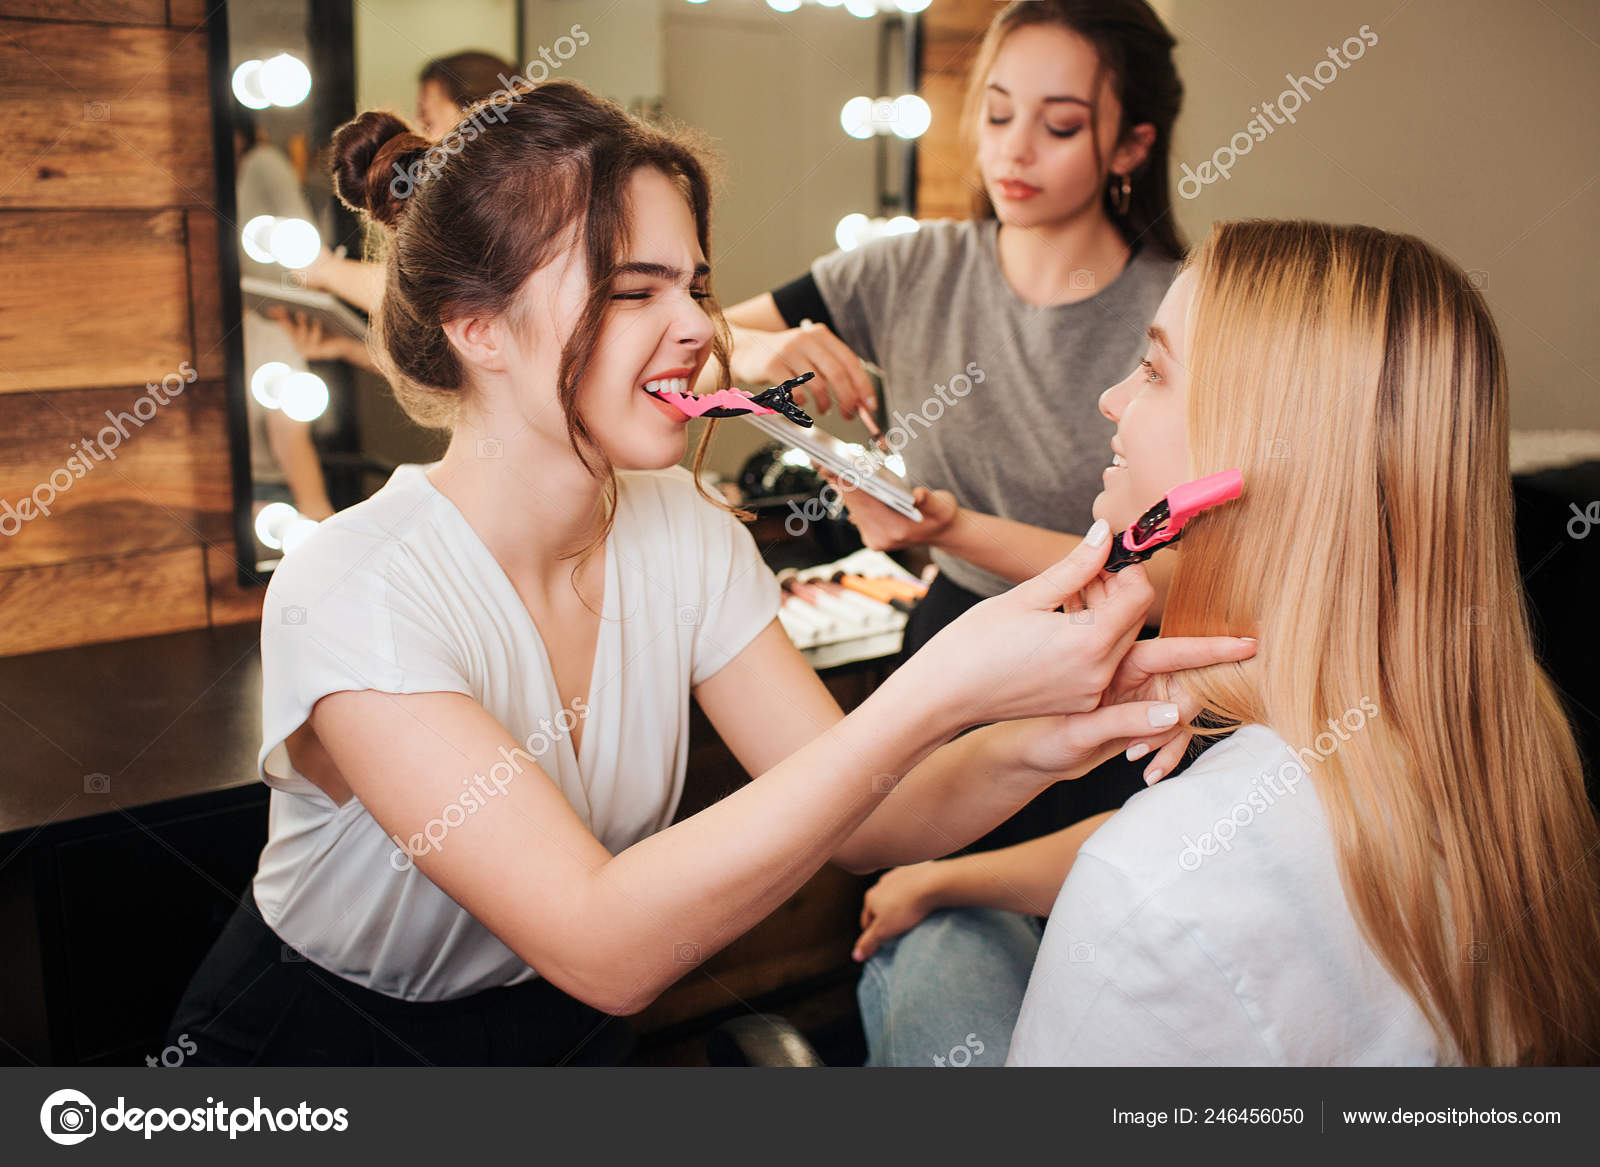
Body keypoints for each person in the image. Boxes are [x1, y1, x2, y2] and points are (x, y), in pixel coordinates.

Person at [163, 81, 1254, 1067]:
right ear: (479, 327)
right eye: (634, 291)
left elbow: (871, 818)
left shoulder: (682, 530)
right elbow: (602, 942)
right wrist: (939, 688)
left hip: (564, 1038)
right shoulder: (356, 586)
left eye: (694, 285)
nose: (696, 328)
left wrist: (1040, 745)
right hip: (324, 1043)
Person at [999, 221, 1600, 1064]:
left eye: (1156, 368)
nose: (1112, 398)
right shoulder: (1523, 748)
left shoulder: (1155, 883)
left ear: (1257, 450)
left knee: (933, 951)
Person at [720, 0, 1187, 864]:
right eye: (998, 112)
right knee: (916, 921)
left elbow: (1175, 576)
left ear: (1131, 145)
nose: (1013, 148)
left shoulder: (1180, 311)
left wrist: (951, 529)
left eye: (1059, 125)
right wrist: (756, 349)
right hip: (954, 641)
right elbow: (683, 352)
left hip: (1125, 673)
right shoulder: (906, 268)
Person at [299, 50, 519, 315]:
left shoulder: (503, 214)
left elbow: (425, 296)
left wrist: (326, 271)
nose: (416, 132)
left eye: (427, 121)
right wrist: (346, 349)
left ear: (479, 122)